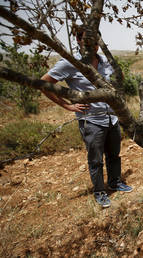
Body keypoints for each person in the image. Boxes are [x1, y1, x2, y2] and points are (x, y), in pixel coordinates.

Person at [40, 29, 132, 208]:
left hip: (111, 118)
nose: (94, 46)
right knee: (95, 160)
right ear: (78, 40)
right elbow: (44, 83)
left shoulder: (105, 61)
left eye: (96, 41)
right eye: (88, 42)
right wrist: (68, 105)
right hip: (91, 120)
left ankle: (115, 182)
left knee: (114, 154)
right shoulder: (69, 63)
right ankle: (99, 192)